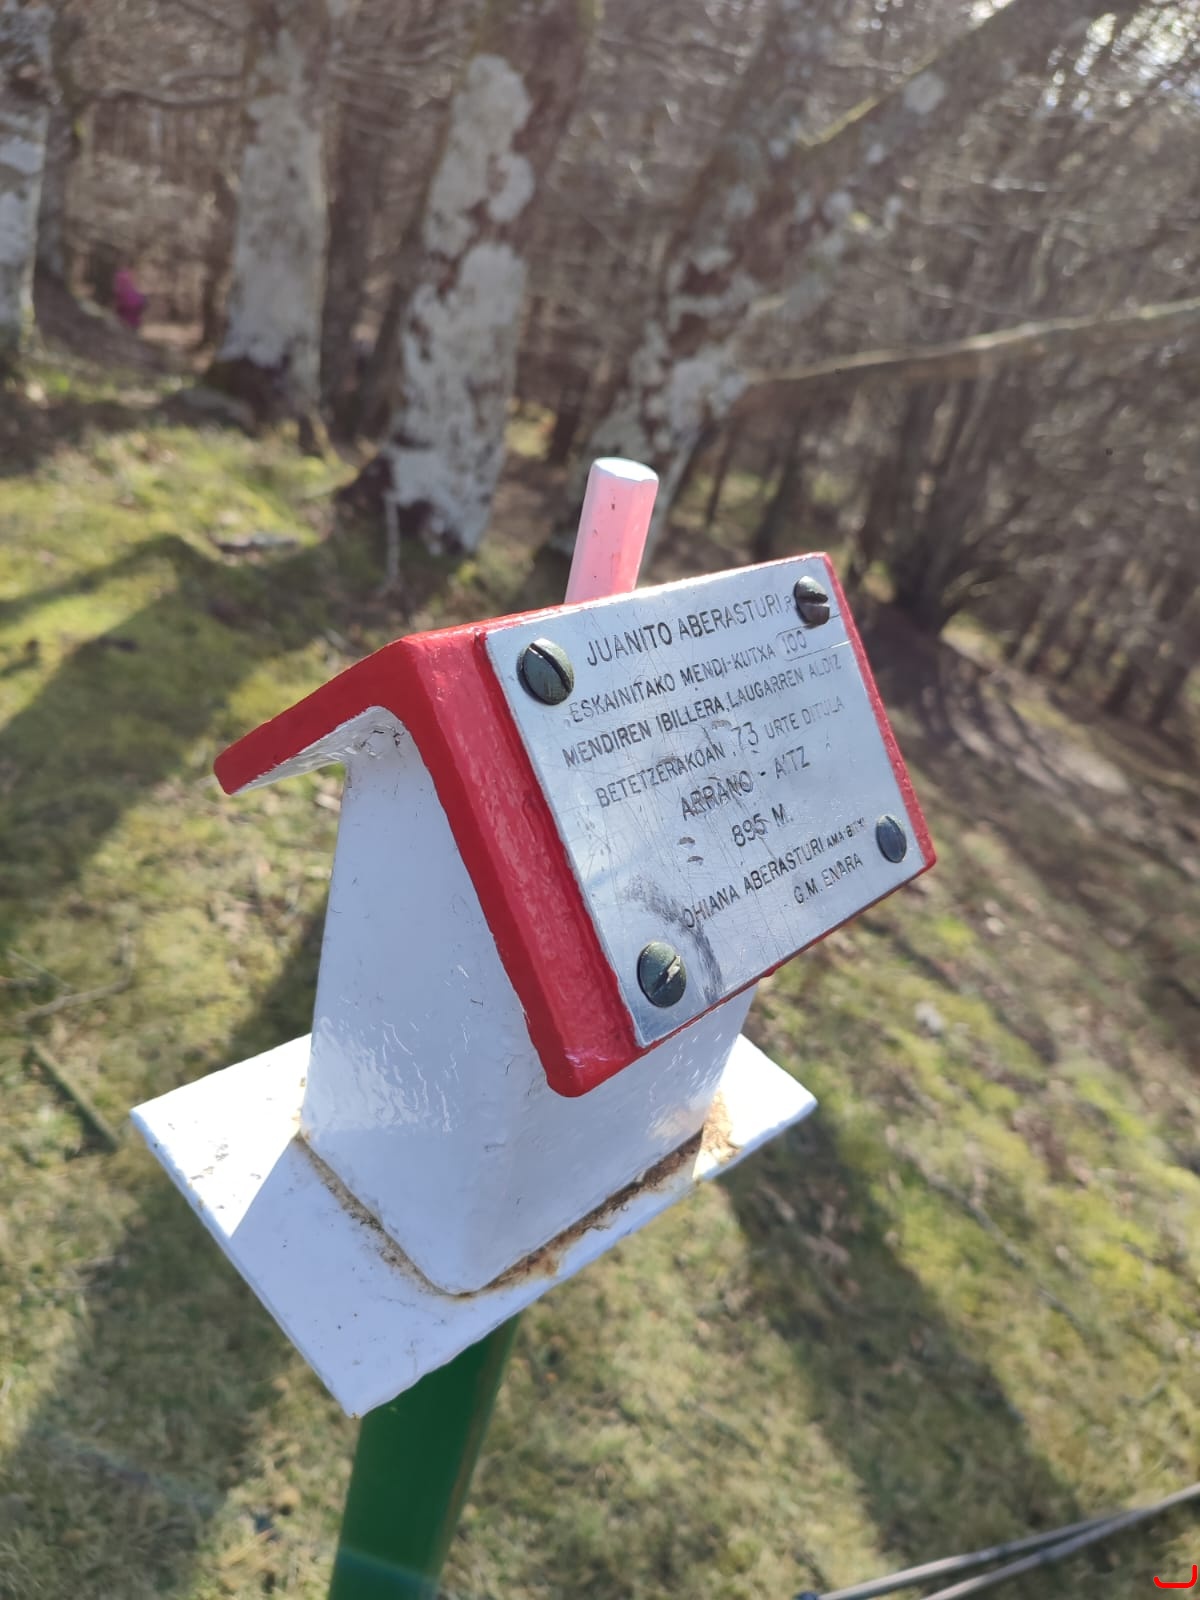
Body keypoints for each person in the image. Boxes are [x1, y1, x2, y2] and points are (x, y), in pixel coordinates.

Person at [113, 268, 147, 332]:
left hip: (127, 322)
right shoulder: (132, 292)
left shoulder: (122, 293)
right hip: (131, 321)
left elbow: (119, 307)